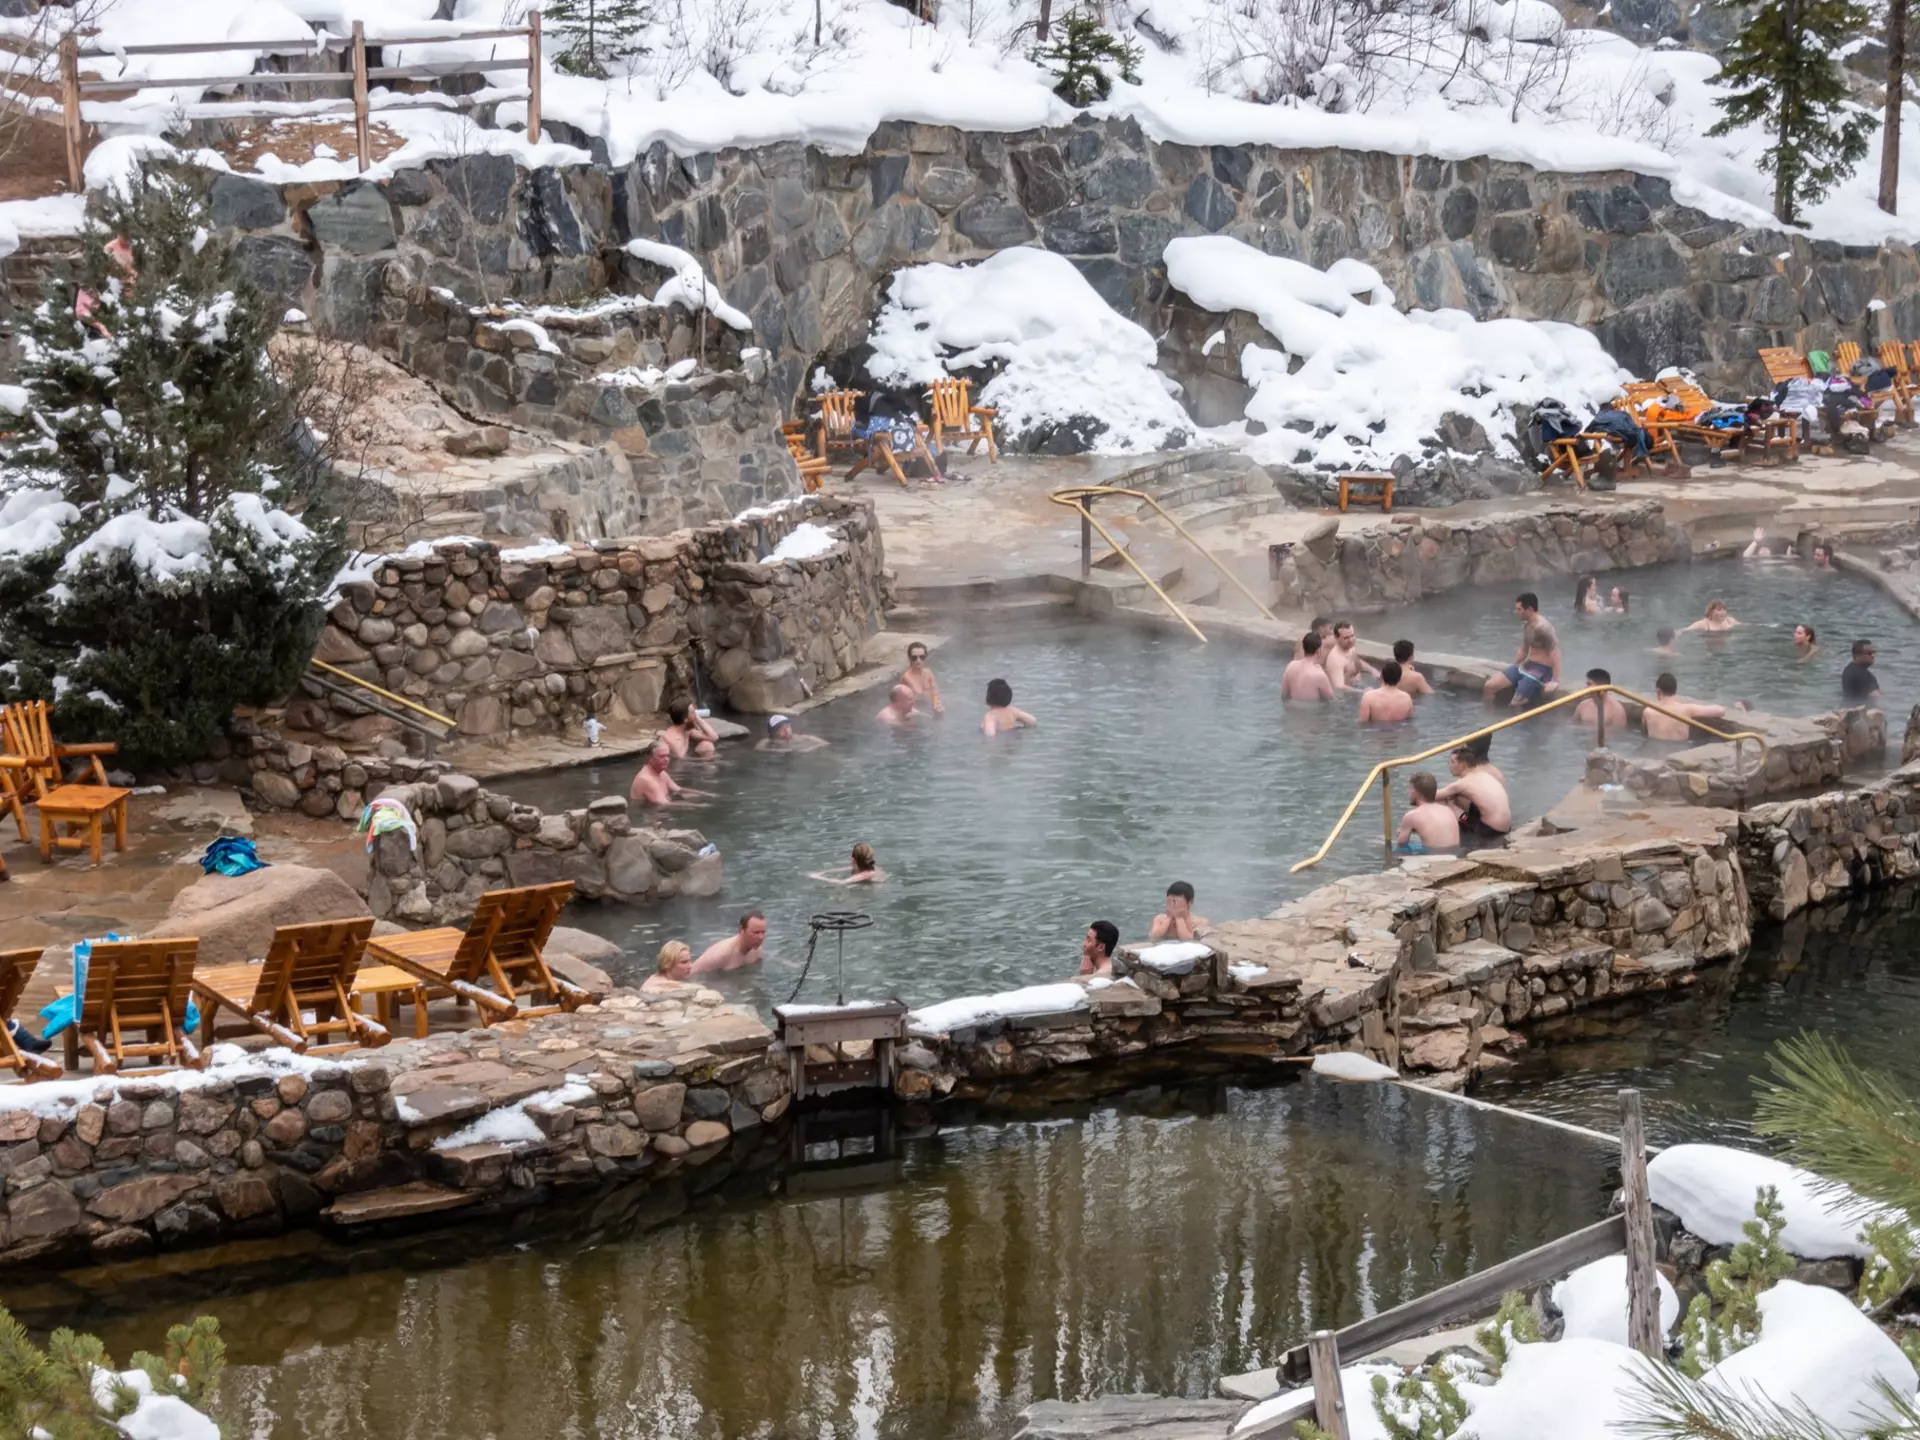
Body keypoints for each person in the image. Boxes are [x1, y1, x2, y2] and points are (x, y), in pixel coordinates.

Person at [1484, 593, 1560, 704]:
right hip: (1525, 665)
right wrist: (1513, 667)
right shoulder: (1528, 625)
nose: (1516, 612)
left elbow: (1556, 654)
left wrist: (1555, 680)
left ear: (1529, 609)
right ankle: (1487, 717)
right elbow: (1524, 649)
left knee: (1515, 703)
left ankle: (1517, 720)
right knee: (1489, 686)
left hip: (1541, 671)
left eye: (1519, 609)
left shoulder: (1544, 628)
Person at [1438, 746, 1511, 846]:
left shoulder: (1462, 784)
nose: (1449, 765)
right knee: (1460, 799)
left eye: (1452, 762)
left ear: (1462, 765)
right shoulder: (1485, 775)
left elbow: (1430, 795)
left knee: (1445, 803)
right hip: (1506, 827)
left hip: (1489, 831)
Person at [1644, 672, 1730, 740]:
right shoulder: (1686, 709)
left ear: (1658, 691)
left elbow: (1644, 730)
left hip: (1653, 752)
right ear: (1675, 690)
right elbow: (1720, 711)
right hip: (1678, 752)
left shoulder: (1648, 711)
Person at [1395, 772, 1462, 853]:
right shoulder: (1447, 809)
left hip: (1434, 859)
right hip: (1455, 855)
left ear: (1415, 792)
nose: (1408, 792)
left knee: (1397, 851)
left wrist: (1400, 834)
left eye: (1409, 789)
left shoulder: (1411, 816)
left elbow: (1401, 844)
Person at [630, 742, 712, 806]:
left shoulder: (660, 772)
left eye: (668, 756)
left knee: (689, 796)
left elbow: (678, 789)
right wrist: (697, 806)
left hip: (661, 806)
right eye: (661, 756)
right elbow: (665, 804)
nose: (666, 759)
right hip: (649, 814)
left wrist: (705, 794)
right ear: (650, 758)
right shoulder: (647, 780)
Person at [691, 911, 768, 973]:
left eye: (763, 932)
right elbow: (690, 973)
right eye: (756, 933)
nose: (761, 937)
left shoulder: (757, 950)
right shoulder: (720, 954)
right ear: (742, 930)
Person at [1571, 668, 1629, 740]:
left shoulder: (1616, 710)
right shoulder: (1583, 706)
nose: (1585, 688)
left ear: (1601, 687)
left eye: (1589, 684)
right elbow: (1573, 726)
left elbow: (1618, 737)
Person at [1281, 633, 1336, 701]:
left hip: (1291, 710)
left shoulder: (1291, 666)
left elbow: (1284, 695)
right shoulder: (1319, 674)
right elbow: (1331, 699)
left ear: (1304, 648)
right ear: (1318, 651)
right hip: (1311, 710)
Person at [1325, 621, 1377, 691]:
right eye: (1346, 638)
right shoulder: (1336, 660)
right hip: (1350, 694)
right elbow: (1339, 687)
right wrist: (1363, 692)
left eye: (1352, 636)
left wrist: (1372, 670)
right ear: (1336, 638)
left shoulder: (1350, 647)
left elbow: (1357, 661)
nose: (1351, 640)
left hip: (1360, 685)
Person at [811, 842, 887, 885]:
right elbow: (843, 869)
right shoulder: (873, 868)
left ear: (853, 859)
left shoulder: (865, 874)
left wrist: (818, 877)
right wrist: (824, 872)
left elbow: (842, 882)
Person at [900, 643, 944, 715]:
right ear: (909, 658)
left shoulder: (928, 672)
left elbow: (935, 691)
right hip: (914, 710)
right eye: (914, 658)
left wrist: (936, 704)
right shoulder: (906, 677)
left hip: (929, 706)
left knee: (941, 712)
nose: (918, 660)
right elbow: (900, 700)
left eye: (922, 657)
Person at [757, 713, 829, 752]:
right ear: (773, 732)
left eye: (788, 726)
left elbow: (825, 743)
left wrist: (809, 749)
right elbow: (758, 749)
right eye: (782, 728)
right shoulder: (767, 742)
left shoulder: (800, 737)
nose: (786, 730)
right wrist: (779, 750)